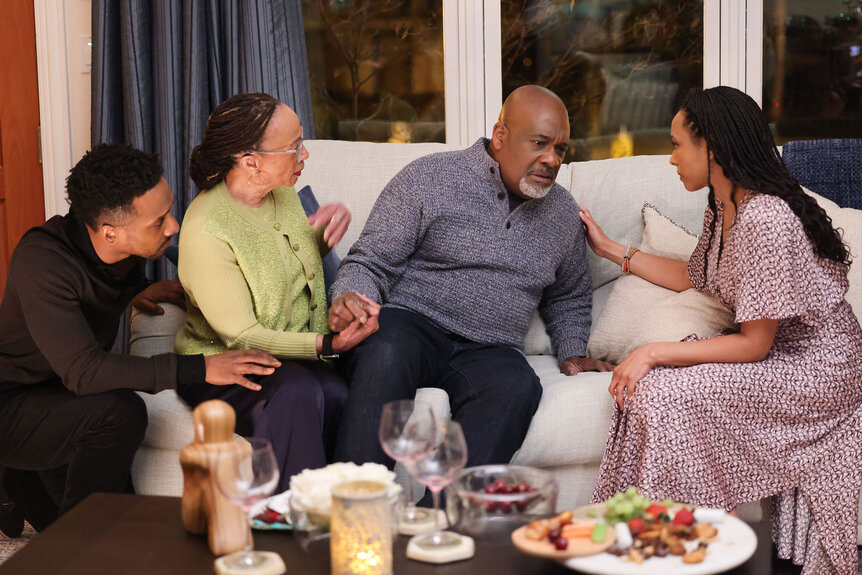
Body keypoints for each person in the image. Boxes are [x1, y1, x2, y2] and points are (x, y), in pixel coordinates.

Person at [583, 86, 862, 575]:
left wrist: (653, 351)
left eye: (676, 144)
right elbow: (695, 276)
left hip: (819, 369)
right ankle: (695, 534)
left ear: (711, 147)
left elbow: (755, 343)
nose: (670, 159)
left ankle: (699, 543)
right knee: (651, 393)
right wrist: (611, 250)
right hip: (779, 355)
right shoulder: (723, 204)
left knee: (665, 395)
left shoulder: (765, 218)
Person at [329, 85, 612, 479]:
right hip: (412, 325)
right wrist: (352, 298)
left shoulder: (562, 213)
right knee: (384, 349)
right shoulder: (430, 177)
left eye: (560, 149)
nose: (551, 159)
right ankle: (356, 503)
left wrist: (572, 351)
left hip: (491, 347)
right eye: (539, 143)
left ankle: (440, 522)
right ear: (500, 136)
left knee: (518, 386)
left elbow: (569, 295)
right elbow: (372, 260)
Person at [0, 143, 280, 531]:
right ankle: (71, 539)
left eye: (169, 209)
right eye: (159, 221)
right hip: (13, 404)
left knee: (117, 518)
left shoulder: (124, 253)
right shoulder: (42, 262)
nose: (174, 226)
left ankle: (21, 483)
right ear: (110, 233)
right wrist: (200, 368)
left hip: (62, 400)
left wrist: (139, 289)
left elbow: (94, 290)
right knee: (119, 413)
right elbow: (84, 372)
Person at [176, 92, 378, 491]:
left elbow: (285, 262)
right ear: (252, 161)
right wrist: (326, 344)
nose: (305, 156)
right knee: (299, 394)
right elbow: (242, 336)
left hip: (284, 361)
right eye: (294, 147)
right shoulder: (206, 229)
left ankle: (335, 505)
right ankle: (289, 517)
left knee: (337, 393)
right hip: (224, 366)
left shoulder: (282, 195)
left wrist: (324, 233)